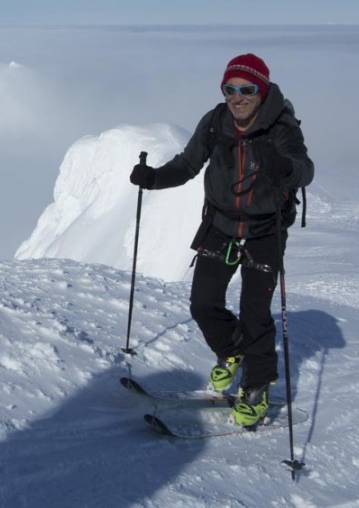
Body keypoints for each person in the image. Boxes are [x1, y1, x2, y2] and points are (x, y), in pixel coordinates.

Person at [129, 53, 314, 426]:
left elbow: (304, 170)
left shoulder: (281, 128)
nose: (237, 97)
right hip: (220, 225)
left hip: (265, 230)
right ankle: (232, 351)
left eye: (247, 89)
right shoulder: (215, 122)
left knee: (254, 313)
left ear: (262, 90)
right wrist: (154, 179)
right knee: (203, 304)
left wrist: (286, 168)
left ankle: (257, 386)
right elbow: (187, 164)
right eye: (229, 89)